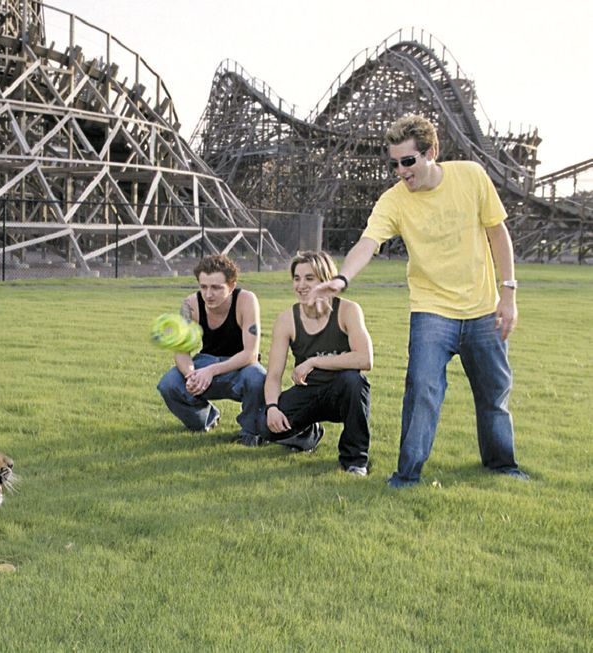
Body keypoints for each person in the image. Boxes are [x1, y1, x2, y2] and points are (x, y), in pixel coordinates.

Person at [310, 114, 527, 487]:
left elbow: (497, 233)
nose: (401, 171)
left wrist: (508, 292)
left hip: (481, 308)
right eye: (394, 163)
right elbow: (367, 242)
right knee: (422, 391)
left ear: (431, 153)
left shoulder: (471, 176)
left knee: (494, 394)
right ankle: (407, 476)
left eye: (407, 161)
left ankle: (502, 466)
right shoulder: (393, 201)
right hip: (431, 310)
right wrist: (342, 278)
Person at [250, 251, 373, 476]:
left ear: (326, 280)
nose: (301, 285)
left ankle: (355, 461)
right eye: (297, 278)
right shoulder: (287, 319)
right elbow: (274, 374)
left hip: (342, 393)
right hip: (309, 392)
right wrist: (272, 408)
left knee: (354, 381)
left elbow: (365, 359)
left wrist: (314, 361)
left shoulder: (348, 310)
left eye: (309, 278)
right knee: (262, 426)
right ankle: (308, 434)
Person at [157, 254, 266, 438]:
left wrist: (211, 371)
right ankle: (204, 420)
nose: (208, 294)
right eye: (203, 287)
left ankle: (250, 432)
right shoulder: (191, 304)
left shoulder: (246, 300)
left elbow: (250, 354)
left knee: (258, 378)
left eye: (216, 287)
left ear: (231, 286)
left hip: (239, 365)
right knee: (169, 384)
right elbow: (181, 352)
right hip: (205, 361)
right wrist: (191, 374)